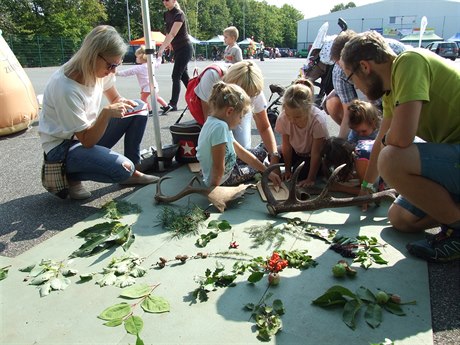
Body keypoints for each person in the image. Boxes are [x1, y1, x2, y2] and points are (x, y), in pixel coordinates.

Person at [341, 30, 460, 263]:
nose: (354, 85)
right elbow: (383, 137)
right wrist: (368, 185)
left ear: (364, 67)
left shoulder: (409, 62)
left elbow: (401, 138)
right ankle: (453, 214)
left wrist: (387, 141)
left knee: (392, 159)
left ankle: (456, 228)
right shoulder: (390, 90)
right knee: (400, 219)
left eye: (349, 76)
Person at [38, 25, 158, 200]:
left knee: (139, 107)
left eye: (117, 65)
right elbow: (87, 140)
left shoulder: (101, 68)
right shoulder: (65, 87)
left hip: (86, 134)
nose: (113, 71)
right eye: (111, 65)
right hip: (63, 148)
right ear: (93, 55)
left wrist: (121, 103)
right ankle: (72, 176)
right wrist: (105, 113)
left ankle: (134, 170)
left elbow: (115, 98)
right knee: (121, 168)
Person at [193, 61, 280, 165]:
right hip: (218, 115)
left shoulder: (253, 86)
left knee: (242, 148)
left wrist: (274, 157)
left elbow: (264, 126)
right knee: (228, 151)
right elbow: (209, 121)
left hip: (230, 113)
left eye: (251, 96)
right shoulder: (212, 76)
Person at [197, 81, 281, 187]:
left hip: (227, 166)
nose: (241, 121)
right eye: (241, 116)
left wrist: (267, 171)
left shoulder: (216, 122)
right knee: (255, 168)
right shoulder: (220, 128)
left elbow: (241, 152)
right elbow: (219, 168)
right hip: (224, 179)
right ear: (229, 112)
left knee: (261, 153)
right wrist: (215, 191)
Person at [324, 30, 406, 139]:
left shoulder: (402, 59)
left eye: (352, 77)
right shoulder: (339, 72)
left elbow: (404, 136)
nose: (356, 86)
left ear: (363, 65)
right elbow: (348, 111)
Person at [274, 83, 329, 187]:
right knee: (274, 155)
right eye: (289, 115)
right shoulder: (283, 117)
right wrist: (287, 170)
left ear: (308, 109)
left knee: (299, 173)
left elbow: (316, 152)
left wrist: (310, 178)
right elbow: (287, 146)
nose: (292, 120)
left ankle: (313, 171)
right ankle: (294, 166)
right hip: (296, 150)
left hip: (312, 154)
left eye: (297, 117)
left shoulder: (317, 120)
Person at [157, 0, 192, 115]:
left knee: (176, 75)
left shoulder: (179, 14)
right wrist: (168, 45)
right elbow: (168, 33)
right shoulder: (166, 14)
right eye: (164, 0)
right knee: (184, 77)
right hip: (177, 49)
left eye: (168, 0)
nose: (165, 2)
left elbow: (173, 33)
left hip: (185, 48)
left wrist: (162, 48)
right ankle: (197, 98)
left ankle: (173, 104)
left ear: (174, 1)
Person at [116, 45, 168, 110]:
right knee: (156, 97)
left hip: (146, 86)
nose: (136, 58)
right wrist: (159, 57)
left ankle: (149, 110)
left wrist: (117, 73)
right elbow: (158, 63)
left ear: (142, 57)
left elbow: (128, 72)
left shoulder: (139, 68)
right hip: (153, 84)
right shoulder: (151, 64)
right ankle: (166, 106)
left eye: (137, 57)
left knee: (143, 99)